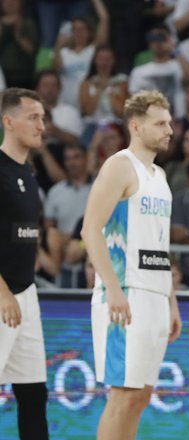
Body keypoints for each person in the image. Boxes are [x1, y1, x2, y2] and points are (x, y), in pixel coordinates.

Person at [81, 90, 183, 440]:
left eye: (170, 122)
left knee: (140, 396)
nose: (170, 129)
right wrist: (112, 288)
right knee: (123, 396)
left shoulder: (161, 176)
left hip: (155, 293)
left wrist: (171, 302)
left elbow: (161, 247)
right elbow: (90, 228)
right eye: (161, 123)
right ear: (136, 126)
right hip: (126, 292)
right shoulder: (119, 166)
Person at [0, 88, 50, 440]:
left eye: (43, 117)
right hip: (2, 295)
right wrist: (2, 291)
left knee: (34, 393)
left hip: (26, 294)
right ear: (8, 121)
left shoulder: (28, 173)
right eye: (33, 117)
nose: (42, 125)